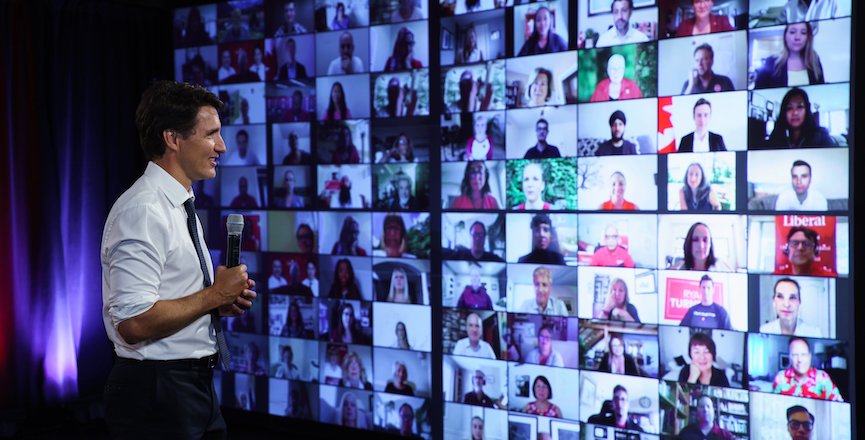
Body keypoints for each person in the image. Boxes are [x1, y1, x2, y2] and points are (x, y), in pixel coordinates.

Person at [103, 80, 258, 438]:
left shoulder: (178, 205)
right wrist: (213, 296)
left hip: (190, 387)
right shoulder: (143, 210)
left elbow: (168, 297)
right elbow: (133, 322)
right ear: (172, 138)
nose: (222, 146)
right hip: (156, 393)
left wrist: (217, 305)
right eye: (211, 135)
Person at [755, 22, 824, 88]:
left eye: (803, 33)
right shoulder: (771, 62)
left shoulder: (815, 62)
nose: (797, 37)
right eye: (792, 32)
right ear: (785, 36)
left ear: (808, 37)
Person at [763, 88, 837, 149]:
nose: (795, 112)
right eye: (789, 108)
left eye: (800, 107)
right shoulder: (776, 136)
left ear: (807, 110)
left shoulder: (821, 136)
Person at [772, 337, 843, 401]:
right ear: (790, 357)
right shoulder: (780, 377)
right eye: (795, 355)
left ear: (809, 356)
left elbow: (838, 402)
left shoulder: (822, 377)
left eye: (803, 354)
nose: (799, 360)